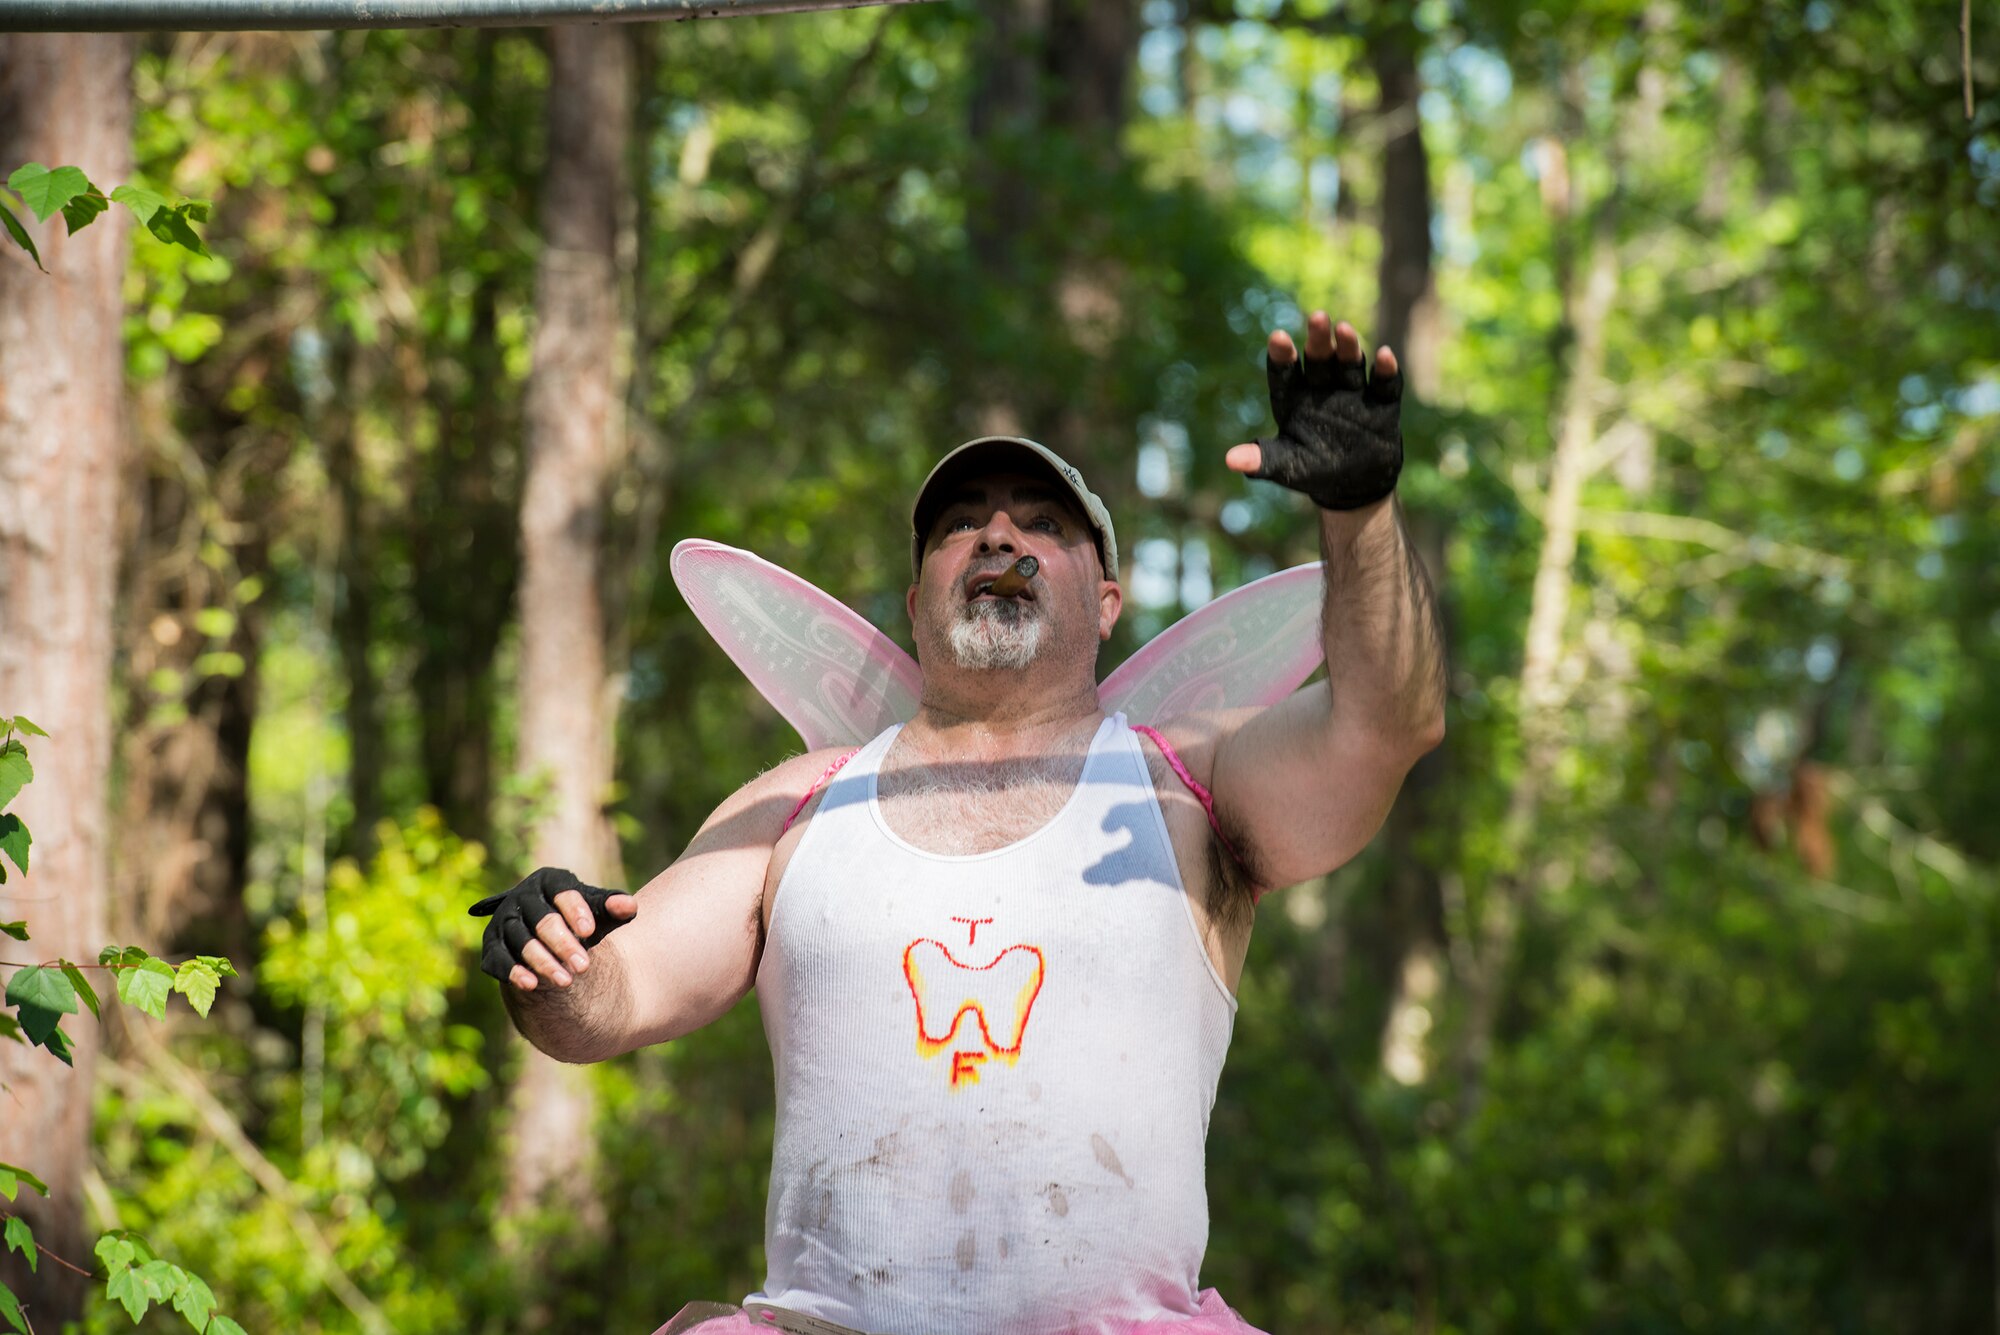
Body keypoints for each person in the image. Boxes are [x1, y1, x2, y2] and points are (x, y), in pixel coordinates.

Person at [473, 311, 1447, 1335]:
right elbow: (613, 1000)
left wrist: (1359, 514)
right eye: (959, 527)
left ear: (1107, 599)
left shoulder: (1188, 782)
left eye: (1043, 524)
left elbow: (1388, 724)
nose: (997, 536)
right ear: (915, 597)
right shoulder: (799, 802)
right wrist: (556, 955)